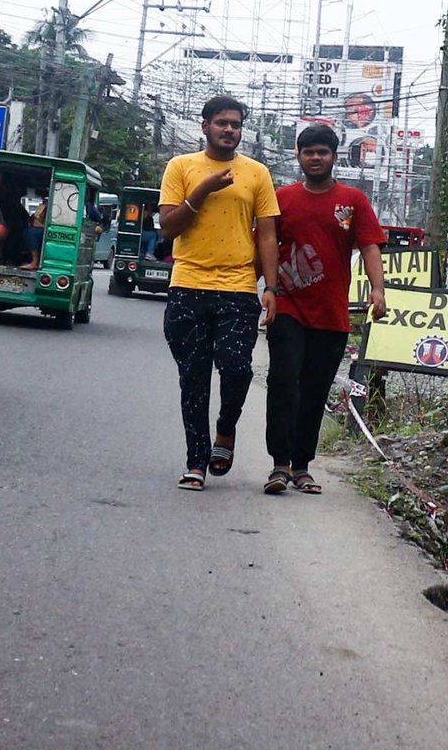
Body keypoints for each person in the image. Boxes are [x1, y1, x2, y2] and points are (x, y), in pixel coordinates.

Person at [158, 95, 281, 493]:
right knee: (193, 379)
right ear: (205, 126)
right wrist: (203, 189)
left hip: (237, 290)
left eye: (235, 124)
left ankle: (226, 429)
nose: (229, 130)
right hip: (188, 286)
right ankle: (196, 460)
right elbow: (168, 228)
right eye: (222, 123)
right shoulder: (181, 167)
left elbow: (267, 234)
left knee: (237, 368)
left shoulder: (257, 173)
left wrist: (271, 288)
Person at [264, 124, 386, 494]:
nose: (315, 158)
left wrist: (378, 289)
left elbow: (369, 246)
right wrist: (264, 289)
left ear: (334, 157)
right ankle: (279, 465)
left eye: (323, 152)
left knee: (315, 390)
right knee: (283, 382)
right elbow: (265, 245)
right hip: (287, 306)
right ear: (299, 155)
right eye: (308, 152)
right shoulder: (281, 198)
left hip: (332, 314)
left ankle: (302, 466)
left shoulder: (353, 201)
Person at [20, 199, 47, 270]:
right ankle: (26, 258)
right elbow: (35, 220)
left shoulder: (55, 208)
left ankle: (34, 262)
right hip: (42, 228)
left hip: (48, 231)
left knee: (33, 232)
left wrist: (42, 226)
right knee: (26, 231)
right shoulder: (42, 207)